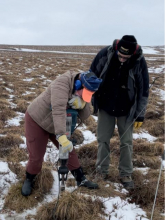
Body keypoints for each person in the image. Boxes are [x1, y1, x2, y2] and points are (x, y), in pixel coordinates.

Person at [21, 70, 102, 196]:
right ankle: (29, 179)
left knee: (69, 150)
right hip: (37, 120)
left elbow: (86, 115)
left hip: (57, 123)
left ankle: (81, 179)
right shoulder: (61, 84)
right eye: (83, 94)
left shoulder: (85, 86)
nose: (84, 96)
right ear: (78, 84)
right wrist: (61, 136)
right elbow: (58, 110)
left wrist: (82, 103)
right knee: (36, 156)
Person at [90, 35, 149, 189]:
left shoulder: (138, 61)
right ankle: (101, 171)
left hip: (127, 109)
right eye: (120, 56)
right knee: (103, 139)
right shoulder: (105, 54)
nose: (122, 59)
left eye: (126, 57)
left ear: (132, 54)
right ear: (117, 49)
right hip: (105, 106)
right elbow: (91, 75)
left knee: (126, 142)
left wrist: (140, 114)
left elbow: (143, 91)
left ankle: (126, 174)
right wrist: (88, 96)